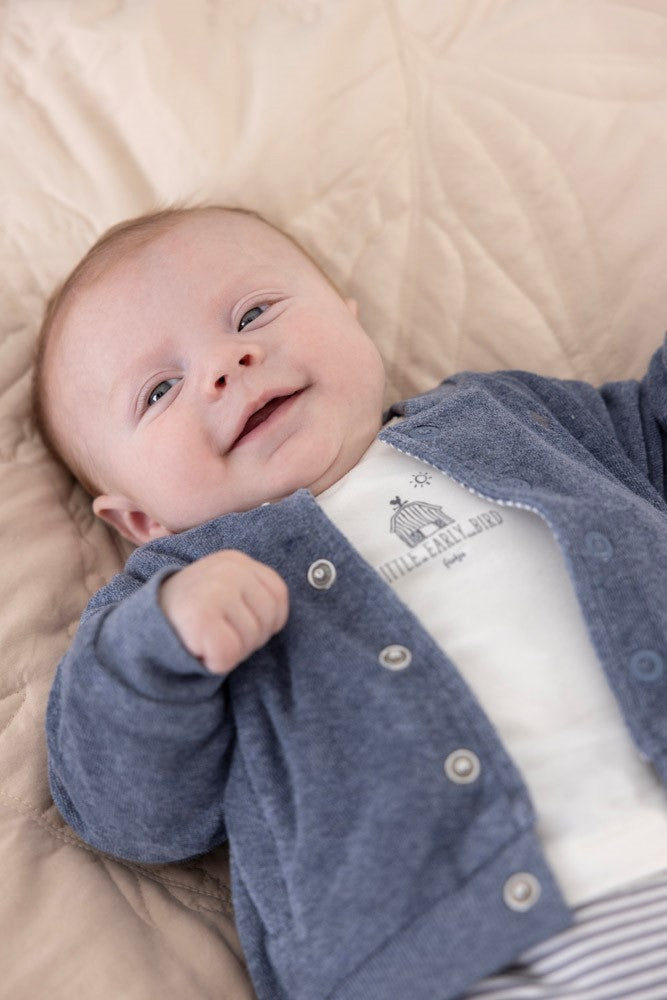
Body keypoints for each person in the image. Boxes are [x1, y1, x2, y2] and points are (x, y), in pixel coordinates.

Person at [36, 205, 667, 1000]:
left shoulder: (510, 416)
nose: (228, 363)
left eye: (253, 313)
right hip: (449, 961)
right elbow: (124, 811)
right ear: (138, 519)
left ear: (348, 317)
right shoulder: (175, 586)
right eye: (159, 390)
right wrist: (160, 648)